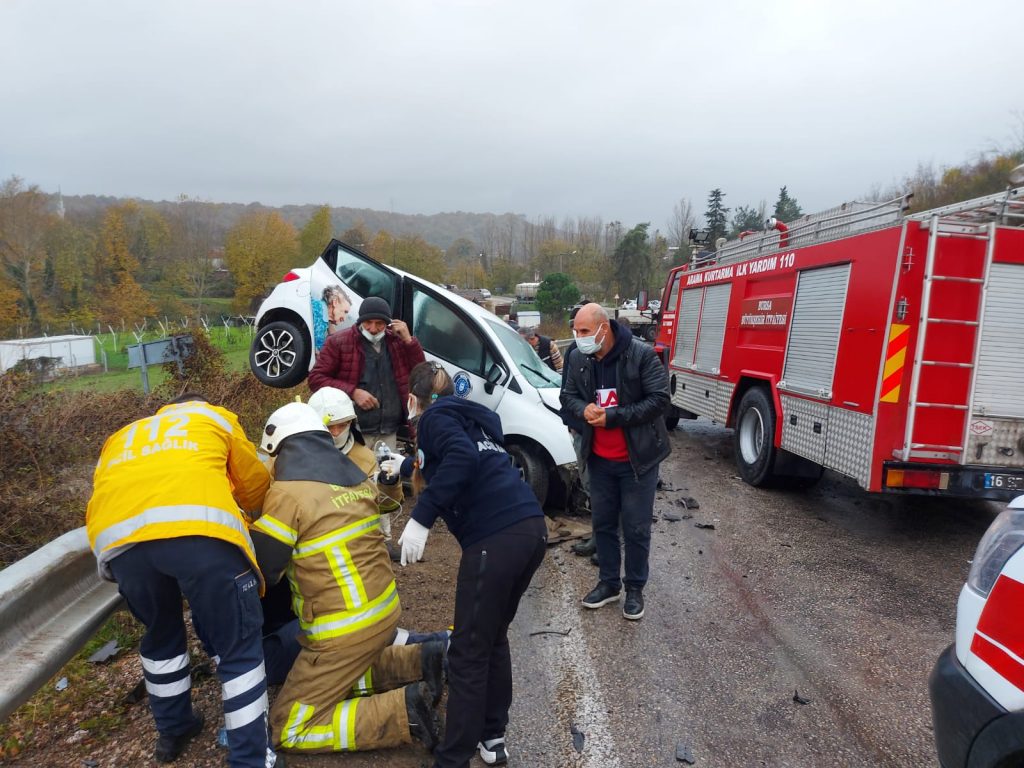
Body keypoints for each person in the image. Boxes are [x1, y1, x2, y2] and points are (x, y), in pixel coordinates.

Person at [85, 394, 281, 768]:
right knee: (238, 646)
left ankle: (174, 730)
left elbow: (104, 489)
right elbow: (255, 485)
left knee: (161, 635)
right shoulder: (214, 419)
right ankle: (251, 758)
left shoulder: (124, 435)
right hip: (202, 535)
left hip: (121, 544)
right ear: (200, 405)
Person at [251, 402, 444, 756]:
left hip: (341, 629)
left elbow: (266, 570)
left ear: (281, 449)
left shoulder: (286, 495)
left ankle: (403, 712)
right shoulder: (356, 478)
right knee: (341, 675)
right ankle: (421, 659)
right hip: (382, 612)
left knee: (288, 725)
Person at [395, 362, 547, 768]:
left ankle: (453, 757)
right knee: (492, 638)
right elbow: (458, 459)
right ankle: (492, 737)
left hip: (494, 541)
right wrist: (407, 466)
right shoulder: (471, 420)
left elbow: (460, 457)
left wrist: (421, 518)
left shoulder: (437, 418)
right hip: (530, 530)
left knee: (467, 652)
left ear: (415, 399)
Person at [560, 303, 671, 621]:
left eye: (583, 331)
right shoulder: (579, 358)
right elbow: (566, 395)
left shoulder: (640, 355)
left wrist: (613, 417)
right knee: (603, 525)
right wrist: (583, 410)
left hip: (637, 460)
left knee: (636, 528)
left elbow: (660, 399)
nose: (578, 338)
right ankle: (608, 584)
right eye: (576, 331)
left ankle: (634, 589)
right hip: (599, 459)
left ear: (602, 328)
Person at [307, 297, 425, 452]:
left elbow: (421, 373)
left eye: (379, 323)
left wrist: (409, 340)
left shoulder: (397, 342)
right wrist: (353, 392)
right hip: (353, 431)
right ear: (360, 321)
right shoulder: (338, 341)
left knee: (385, 474)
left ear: (388, 323)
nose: (373, 328)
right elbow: (316, 379)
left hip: (389, 431)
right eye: (368, 322)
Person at [307, 386, 403, 551]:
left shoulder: (366, 459)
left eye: (342, 425)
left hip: (357, 547)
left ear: (351, 422)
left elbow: (386, 505)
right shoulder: (293, 457)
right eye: (330, 427)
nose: (336, 433)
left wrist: (389, 484)